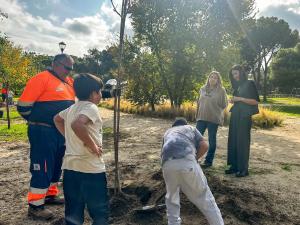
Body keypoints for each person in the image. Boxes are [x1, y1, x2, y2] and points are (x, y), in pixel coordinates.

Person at [17, 54, 76, 220]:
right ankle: (35, 206)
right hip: (43, 131)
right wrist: (38, 121)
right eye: (67, 68)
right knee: (42, 166)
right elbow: (23, 107)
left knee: (57, 164)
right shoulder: (41, 79)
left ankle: (50, 194)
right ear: (55, 64)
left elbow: (86, 93)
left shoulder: (69, 82)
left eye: (71, 68)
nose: (69, 72)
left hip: (60, 130)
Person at [54, 73, 108, 225]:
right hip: (91, 169)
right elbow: (77, 125)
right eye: (99, 91)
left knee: (73, 213)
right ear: (93, 93)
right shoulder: (91, 107)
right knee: (99, 212)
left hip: (70, 169)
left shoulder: (72, 108)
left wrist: (69, 137)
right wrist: (94, 147)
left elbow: (56, 119)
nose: (100, 95)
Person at [161, 118, 224, 225]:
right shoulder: (190, 128)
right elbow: (205, 146)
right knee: (205, 198)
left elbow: (165, 152)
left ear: (173, 126)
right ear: (185, 124)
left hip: (167, 166)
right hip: (187, 162)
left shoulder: (167, 133)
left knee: (172, 201)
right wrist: (194, 160)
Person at [226, 65, 260, 177]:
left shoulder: (250, 83)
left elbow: (255, 102)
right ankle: (234, 166)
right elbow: (238, 100)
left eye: (236, 73)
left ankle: (243, 169)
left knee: (242, 142)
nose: (235, 76)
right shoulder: (238, 86)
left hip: (244, 116)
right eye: (233, 74)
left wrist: (239, 99)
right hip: (235, 115)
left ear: (241, 72)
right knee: (233, 140)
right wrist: (234, 100)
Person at [196, 71, 228, 168]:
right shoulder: (202, 89)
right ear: (208, 78)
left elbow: (224, 104)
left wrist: (215, 107)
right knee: (196, 139)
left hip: (213, 119)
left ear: (218, 80)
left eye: (215, 78)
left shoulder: (221, 90)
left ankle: (208, 161)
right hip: (201, 117)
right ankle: (194, 158)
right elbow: (198, 103)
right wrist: (196, 115)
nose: (212, 79)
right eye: (211, 77)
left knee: (211, 140)